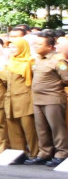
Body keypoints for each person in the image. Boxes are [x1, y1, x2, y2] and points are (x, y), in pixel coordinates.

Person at [25, 32, 68, 167]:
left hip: (53, 99)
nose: (36, 46)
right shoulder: (38, 59)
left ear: (50, 47)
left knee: (57, 128)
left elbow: (66, 78)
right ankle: (44, 153)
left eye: (39, 44)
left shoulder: (58, 60)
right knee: (41, 128)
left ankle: (61, 153)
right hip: (38, 99)